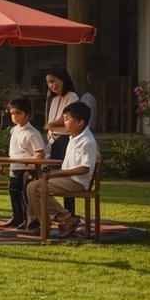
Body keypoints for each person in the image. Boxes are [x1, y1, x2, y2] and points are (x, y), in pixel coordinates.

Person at [26, 101, 95, 237]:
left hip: (77, 182)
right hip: (67, 178)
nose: (64, 123)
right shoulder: (74, 137)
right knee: (31, 187)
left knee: (35, 188)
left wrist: (57, 173)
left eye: (67, 119)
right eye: (64, 119)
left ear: (80, 122)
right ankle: (63, 219)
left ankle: (61, 220)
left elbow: (84, 168)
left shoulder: (87, 141)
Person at [4, 97, 47, 230]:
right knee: (13, 193)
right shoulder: (14, 130)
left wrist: (31, 165)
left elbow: (40, 153)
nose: (14, 116)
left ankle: (30, 219)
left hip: (26, 169)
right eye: (12, 113)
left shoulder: (32, 133)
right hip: (14, 167)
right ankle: (17, 217)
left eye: (18, 113)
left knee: (24, 195)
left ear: (27, 114)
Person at [44, 68, 80, 214]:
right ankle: (60, 214)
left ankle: (69, 213)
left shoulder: (72, 96)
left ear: (63, 79)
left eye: (54, 81)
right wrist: (50, 127)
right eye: (48, 83)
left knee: (64, 175)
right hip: (54, 141)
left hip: (65, 140)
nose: (52, 85)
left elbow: (64, 120)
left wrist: (51, 125)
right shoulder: (54, 99)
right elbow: (51, 122)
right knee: (50, 177)